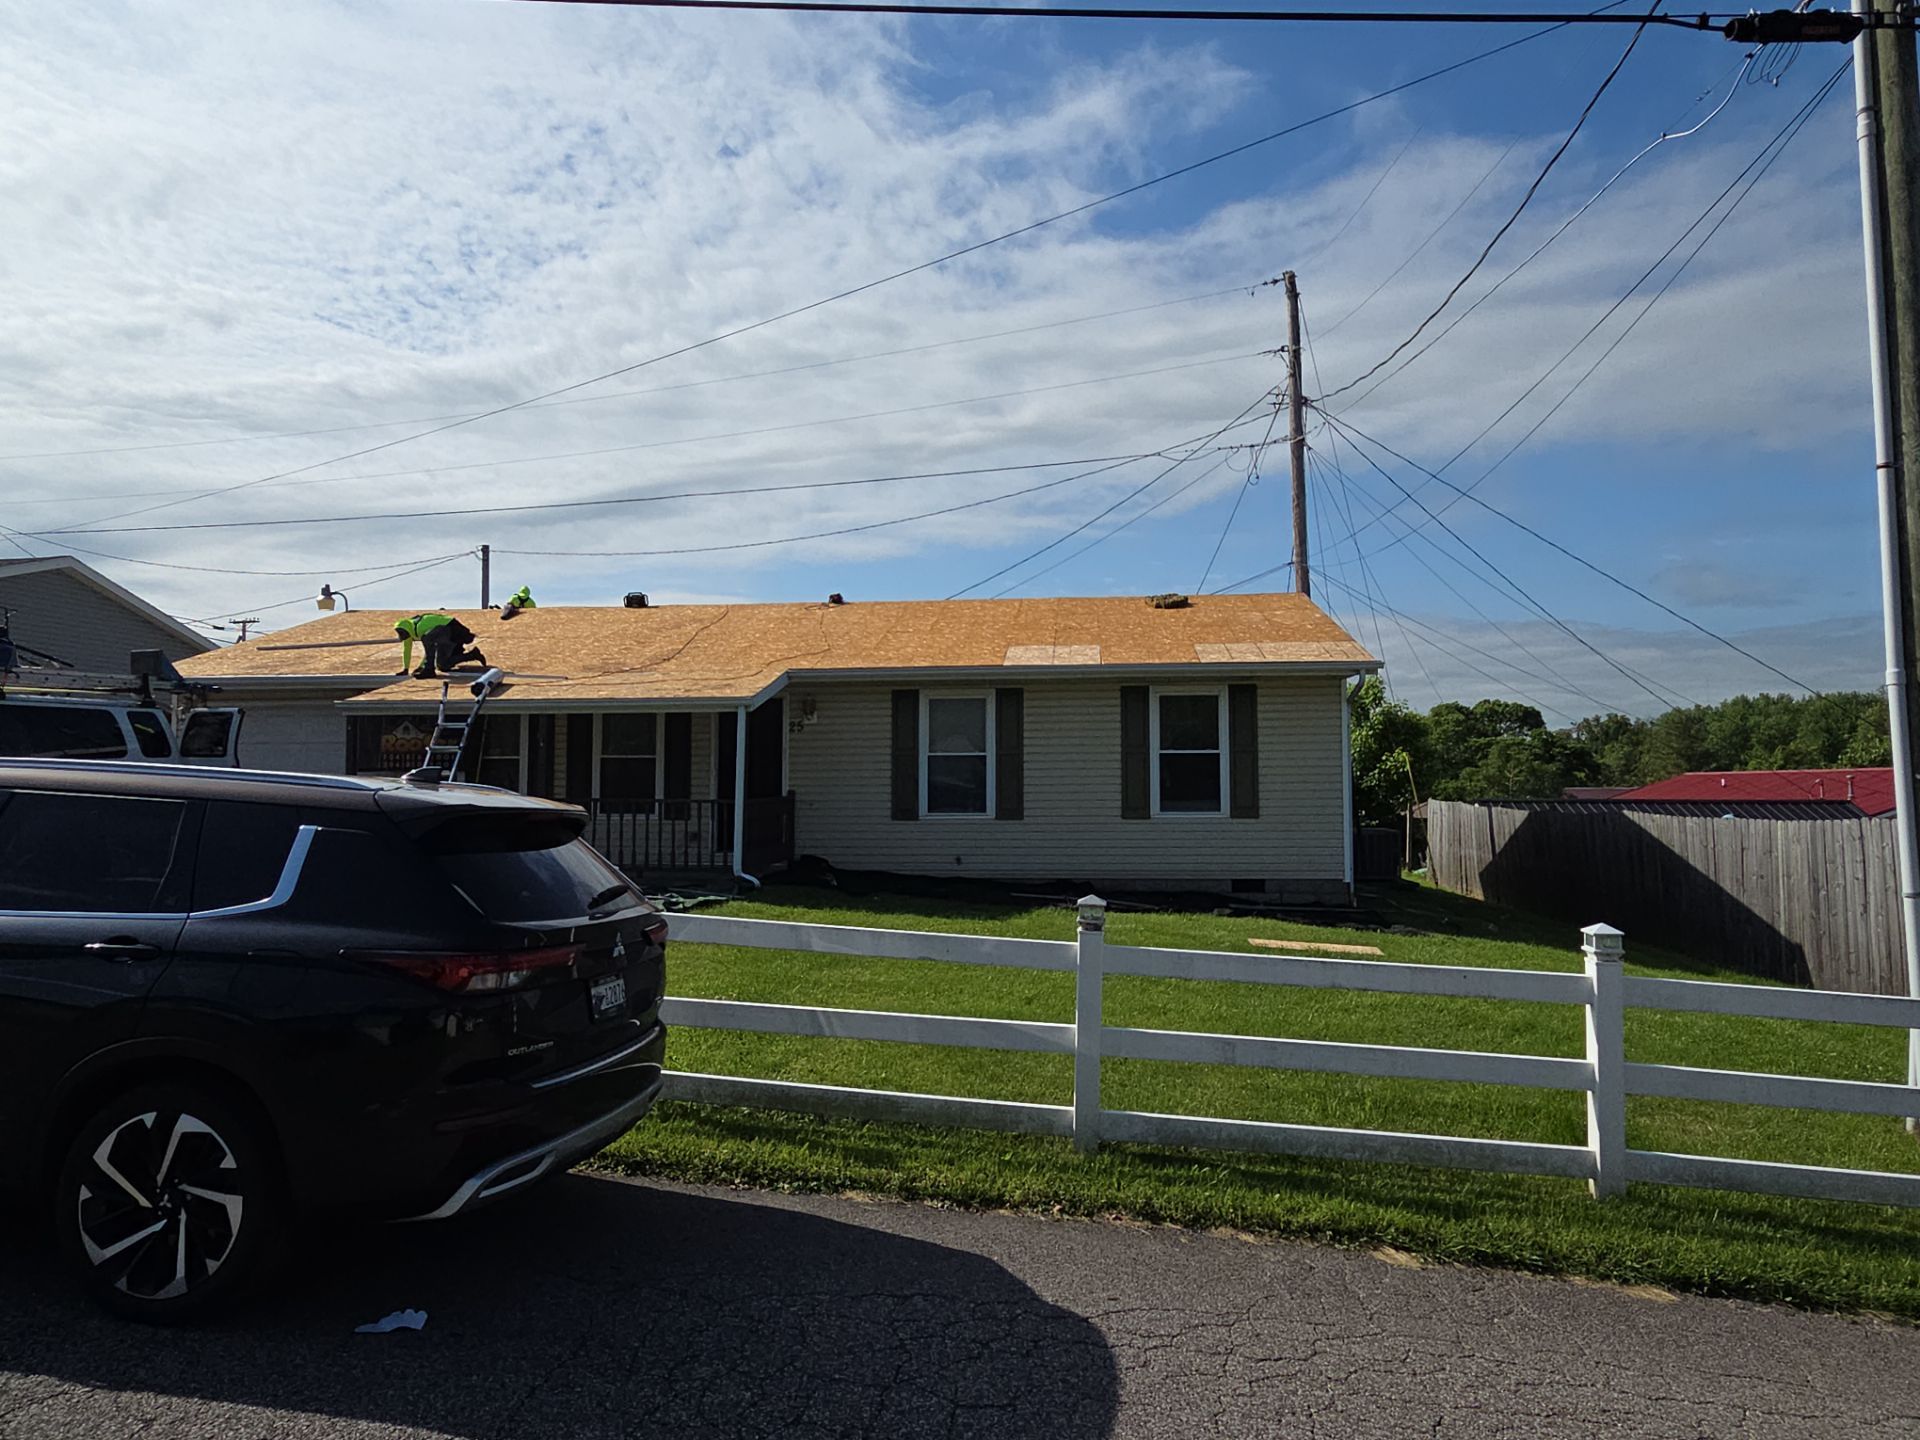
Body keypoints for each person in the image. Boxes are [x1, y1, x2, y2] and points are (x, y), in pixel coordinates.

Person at [394, 613, 486, 679]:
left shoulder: (420, 627)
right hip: (447, 637)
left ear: (407, 629)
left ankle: (429, 670)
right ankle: (473, 655)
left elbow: (429, 648)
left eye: (401, 632)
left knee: (427, 638)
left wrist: (423, 667)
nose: (401, 635)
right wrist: (405, 669)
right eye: (399, 633)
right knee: (443, 665)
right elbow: (407, 650)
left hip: (455, 631)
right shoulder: (409, 631)